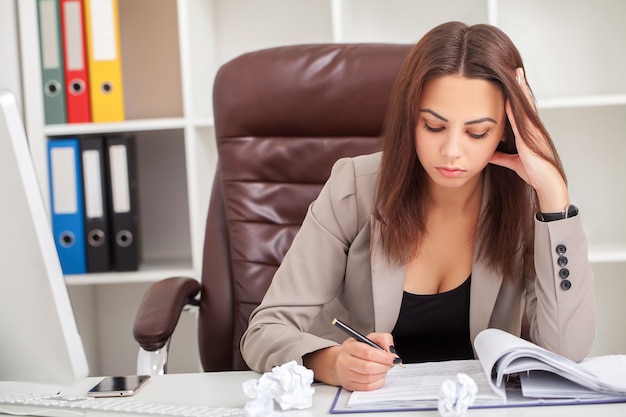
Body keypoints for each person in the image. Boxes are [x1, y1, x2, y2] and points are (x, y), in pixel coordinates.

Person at [240, 21, 596, 391]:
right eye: (433, 126)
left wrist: (554, 195)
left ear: (506, 129)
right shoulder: (354, 187)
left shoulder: (525, 200)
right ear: (409, 119)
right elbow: (264, 331)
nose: (452, 151)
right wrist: (332, 363)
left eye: (477, 133)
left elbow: (566, 351)